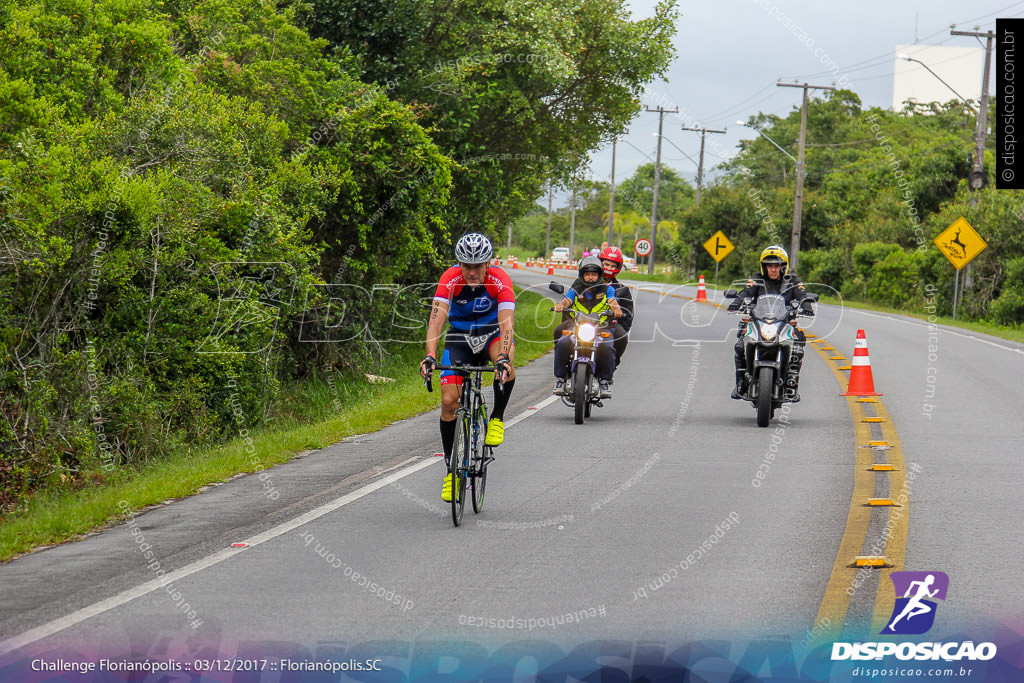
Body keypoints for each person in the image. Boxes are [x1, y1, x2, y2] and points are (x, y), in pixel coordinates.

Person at [419, 233, 515, 502]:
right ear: (459, 264)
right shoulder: (450, 279)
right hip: (459, 338)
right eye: (466, 266)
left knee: (506, 366)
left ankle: (496, 417)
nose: (472, 272)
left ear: (488, 264)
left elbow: (507, 325)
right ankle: (451, 470)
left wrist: (504, 357)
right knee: (449, 401)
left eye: (478, 266)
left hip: (492, 335)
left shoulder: (500, 280)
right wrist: (430, 355)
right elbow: (436, 322)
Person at [728, 245, 807, 401]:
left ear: (783, 266)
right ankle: (741, 383)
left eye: (776, 265)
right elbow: (746, 291)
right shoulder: (757, 278)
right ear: (764, 267)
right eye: (769, 266)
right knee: (739, 344)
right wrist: (737, 302)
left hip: (784, 322)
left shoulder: (793, 280)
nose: (773, 269)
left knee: (799, 343)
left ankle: (791, 384)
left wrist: (806, 305)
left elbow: (802, 293)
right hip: (758, 320)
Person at [552, 256, 622, 398]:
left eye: (594, 274)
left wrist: (616, 309)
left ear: (599, 275)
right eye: (587, 274)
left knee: (608, 346)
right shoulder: (576, 289)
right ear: (582, 275)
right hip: (577, 326)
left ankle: (604, 380)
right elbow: (567, 300)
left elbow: (612, 301)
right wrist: (560, 306)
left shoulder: (607, 289)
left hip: (601, 327)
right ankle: (560, 379)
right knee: (562, 342)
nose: (590, 277)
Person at [560, 246, 633, 367]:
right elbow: (569, 301)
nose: (609, 268)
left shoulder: (619, 288)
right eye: (606, 264)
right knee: (561, 336)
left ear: (618, 268)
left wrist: (617, 323)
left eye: (613, 266)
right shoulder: (580, 282)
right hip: (580, 323)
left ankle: (611, 365)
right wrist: (568, 320)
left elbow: (628, 315)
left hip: (607, 324)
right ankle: (564, 366)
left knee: (622, 337)